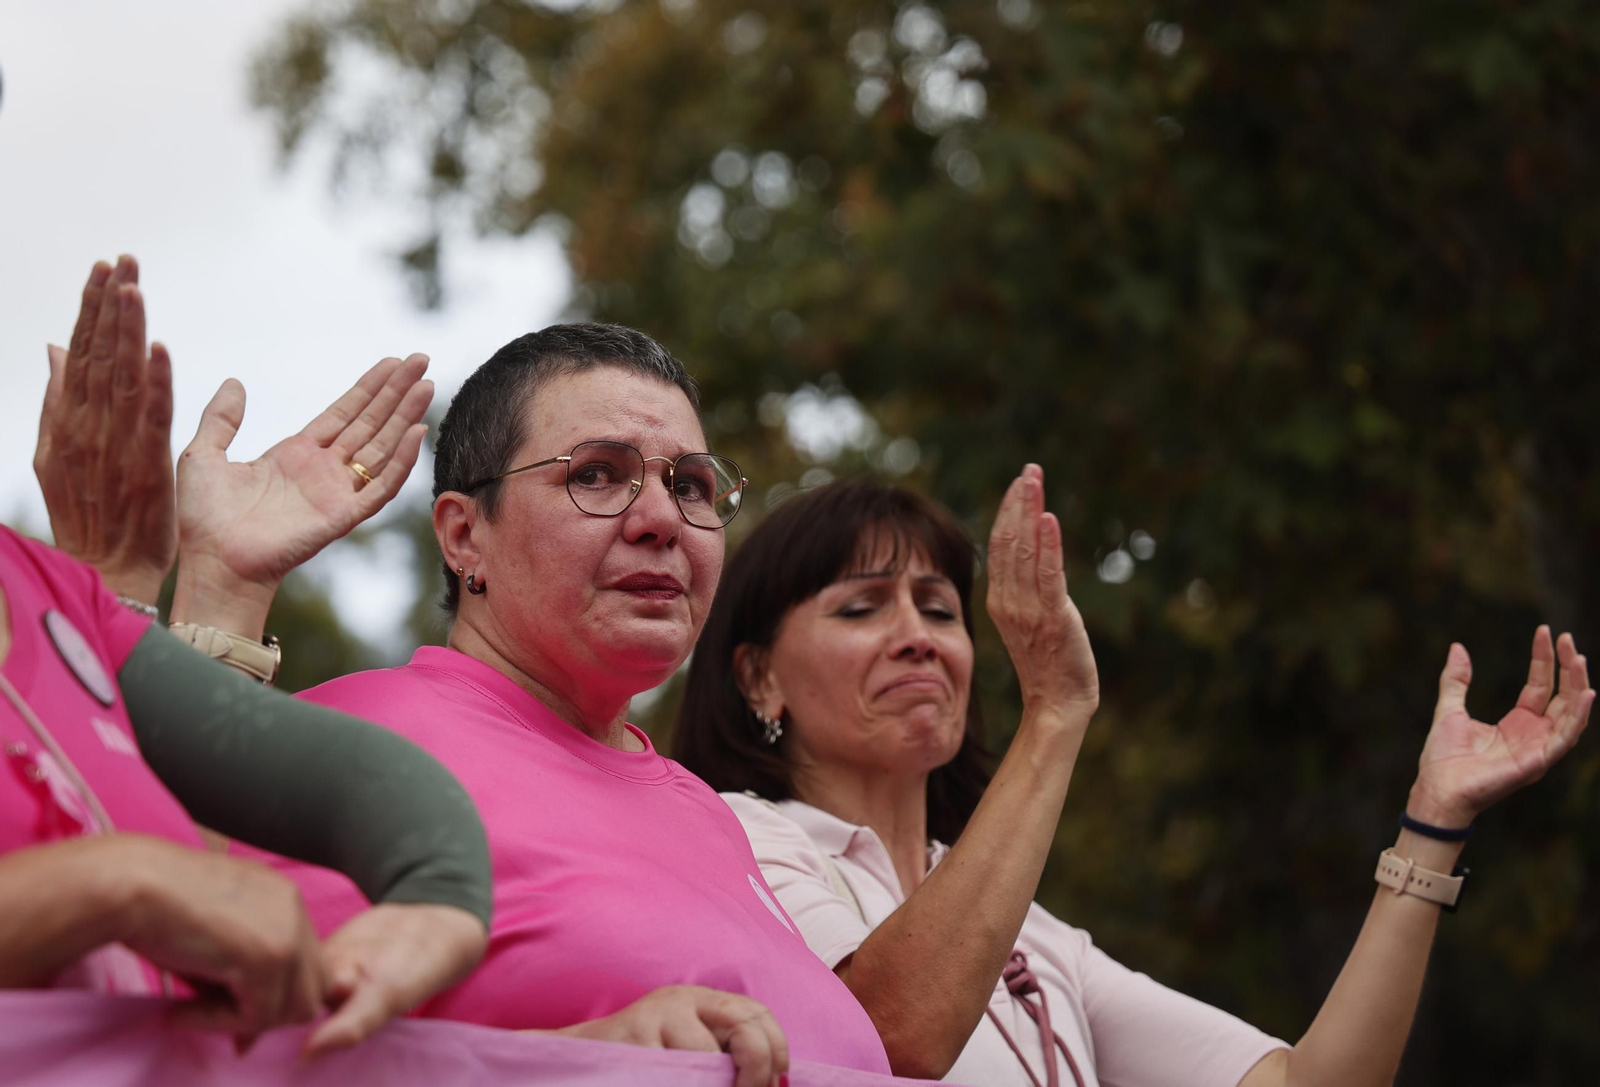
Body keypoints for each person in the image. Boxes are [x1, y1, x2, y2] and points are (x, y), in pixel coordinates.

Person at [59, 305, 890, 1085]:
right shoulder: (366, 736)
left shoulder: (705, 810)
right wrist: (579, 1057)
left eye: (694, 485)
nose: (661, 517)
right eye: (598, 475)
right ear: (465, 536)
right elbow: (205, 1044)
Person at [673, 474, 1595, 1086]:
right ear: (758, 674)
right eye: (862, 605)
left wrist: (1431, 825)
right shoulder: (735, 840)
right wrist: (1059, 712)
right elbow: (895, 1033)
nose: (918, 633)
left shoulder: (1035, 939)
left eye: (942, 607)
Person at [12, 256, 494, 1055]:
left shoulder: (28, 588)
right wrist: (114, 883)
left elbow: (398, 806)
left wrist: (432, 909)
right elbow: (154, 874)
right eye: (594, 475)